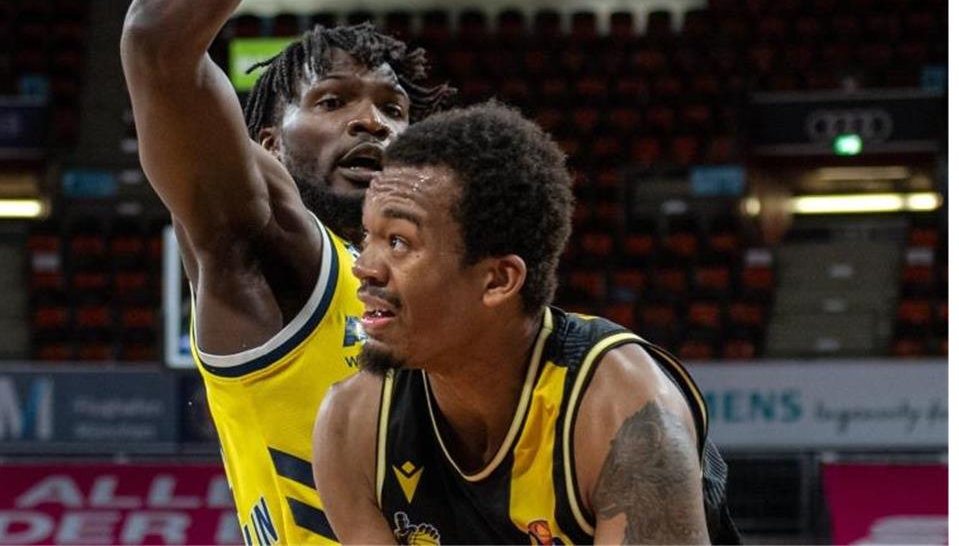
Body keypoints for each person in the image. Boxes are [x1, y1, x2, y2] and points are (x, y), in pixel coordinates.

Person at [120, 0, 464, 542]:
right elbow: (157, 44)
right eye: (334, 100)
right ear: (268, 146)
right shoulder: (279, 257)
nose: (372, 119)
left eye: (393, 108)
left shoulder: (453, 307)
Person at [312, 102, 740, 544]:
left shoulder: (627, 415)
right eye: (368, 236)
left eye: (399, 241)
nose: (364, 266)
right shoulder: (351, 425)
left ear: (498, 280)